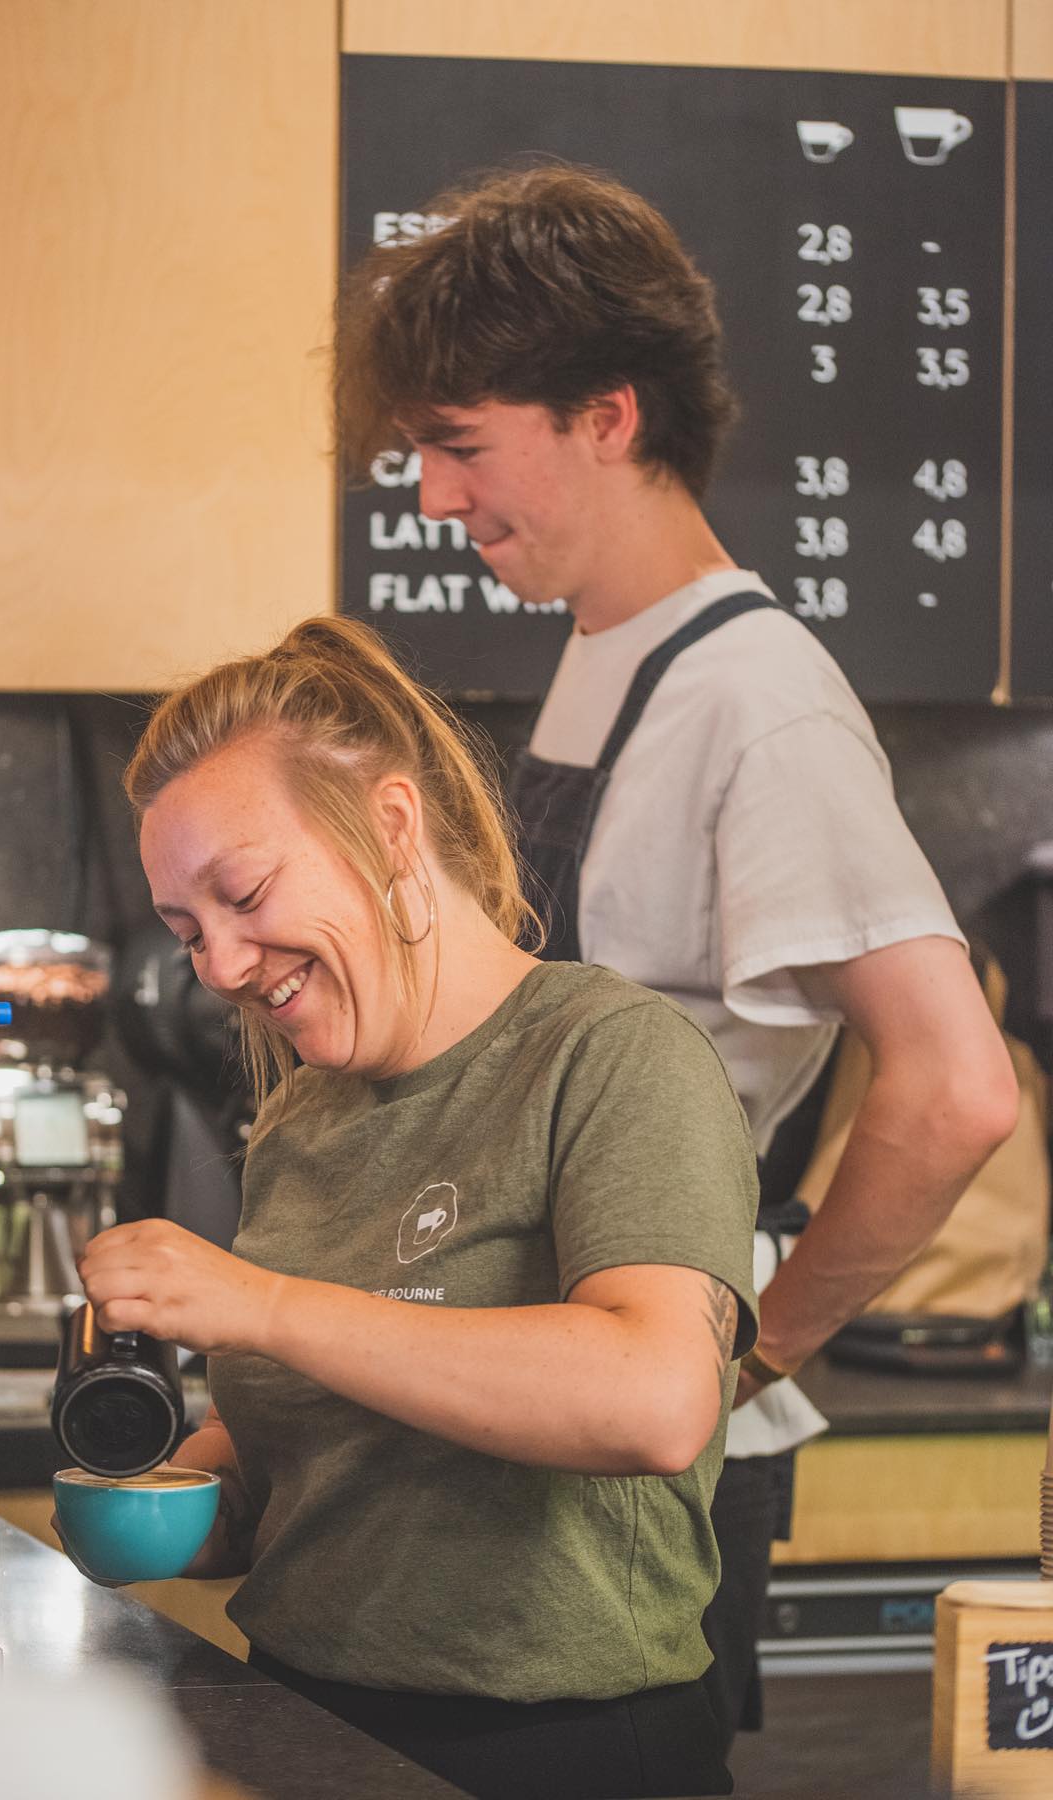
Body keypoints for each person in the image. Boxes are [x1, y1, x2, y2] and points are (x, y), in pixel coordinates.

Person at [333, 162, 1021, 1745]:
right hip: (535, 1394)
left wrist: (750, 1344)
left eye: (459, 447)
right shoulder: (603, 652)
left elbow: (953, 1086)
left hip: (644, 1447)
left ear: (609, 417)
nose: (434, 499)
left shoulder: (759, 699)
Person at [77, 614, 760, 1800]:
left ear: (391, 827)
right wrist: (185, 1501)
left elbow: (653, 1400)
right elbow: (320, 1449)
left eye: (243, 895)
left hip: (561, 1754)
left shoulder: (610, 1056)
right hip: (302, 1718)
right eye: (190, 933)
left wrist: (265, 1305)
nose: (223, 967)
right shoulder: (304, 1115)